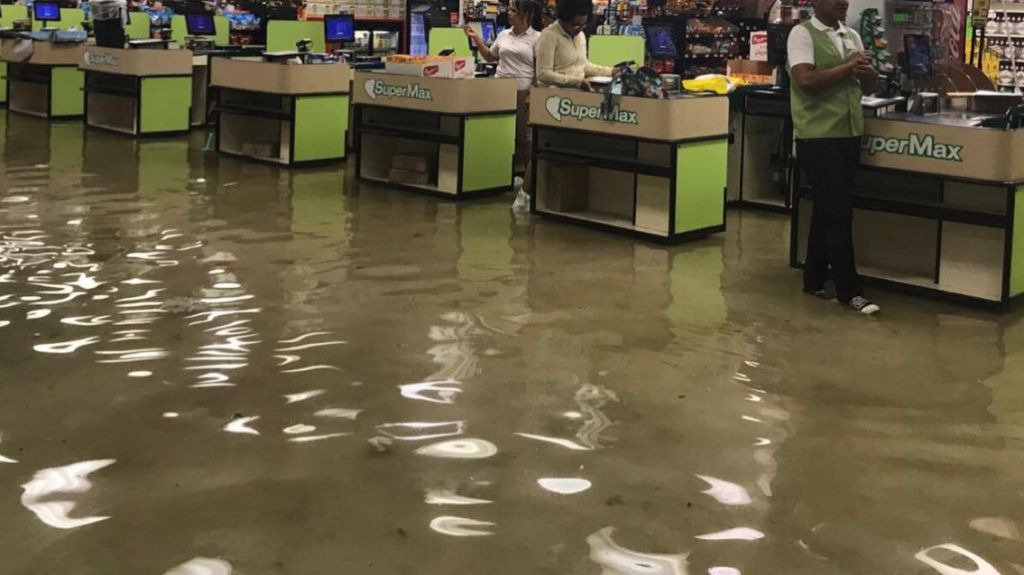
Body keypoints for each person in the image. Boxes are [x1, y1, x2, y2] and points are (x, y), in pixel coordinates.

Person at [787, 0, 880, 315]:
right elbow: (805, 81)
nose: (843, 2)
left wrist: (868, 72)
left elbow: (868, 85)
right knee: (839, 212)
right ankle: (849, 292)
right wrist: (848, 68)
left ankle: (813, 279)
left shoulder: (852, 36)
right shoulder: (801, 35)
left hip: (849, 132)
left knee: (827, 208)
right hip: (818, 136)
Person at [464, 0, 540, 176]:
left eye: (513, 10)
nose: (509, 13)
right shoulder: (503, 35)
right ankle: (502, 174)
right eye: (510, 10)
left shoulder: (537, 38)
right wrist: (476, 38)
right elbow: (490, 56)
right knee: (501, 132)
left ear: (525, 15)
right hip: (500, 89)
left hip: (522, 91)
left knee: (524, 136)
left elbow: (538, 69)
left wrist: (531, 93)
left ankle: (527, 177)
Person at [535, 0, 612, 91]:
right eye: (576, 25)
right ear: (564, 19)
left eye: (583, 25)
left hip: (578, 96)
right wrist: (577, 82)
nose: (579, 29)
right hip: (555, 97)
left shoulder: (580, 36)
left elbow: (582, 65)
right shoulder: (549, 36)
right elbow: (543, 74)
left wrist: (611, 71)